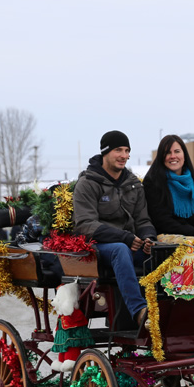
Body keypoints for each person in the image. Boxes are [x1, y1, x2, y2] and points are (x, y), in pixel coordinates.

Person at [73, 130, 156, 329]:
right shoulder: (87, 184)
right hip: (98, 249)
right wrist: (123, 237)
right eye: (118, 150)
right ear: (105, 153)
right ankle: (139, 311)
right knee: (120, 249)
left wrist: (148, 237)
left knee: (161, 252)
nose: (124, 155)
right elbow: (84, 225)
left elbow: (143, 220)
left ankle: (168, 308)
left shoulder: (134, 184)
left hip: (129, 244)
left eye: (127, 150)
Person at [141, 134, 194, 239]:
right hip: (167, 242)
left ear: (184, 154)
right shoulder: (152, 182)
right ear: (161, 157)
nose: (173, 156)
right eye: (168, 153)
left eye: (177, 151)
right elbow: (161, 220)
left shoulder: (192, 182)